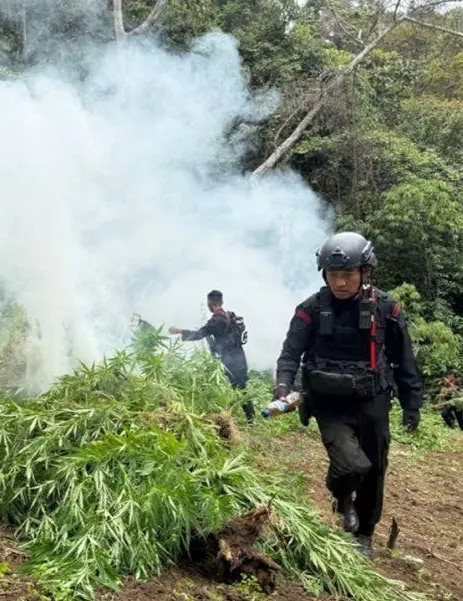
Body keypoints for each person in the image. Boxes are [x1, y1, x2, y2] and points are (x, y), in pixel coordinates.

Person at [273, 232, 423, 556]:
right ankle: (342, 497)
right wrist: (283, 389)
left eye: (347, 275)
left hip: (373, 401)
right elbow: (289, 356)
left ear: (364, 272)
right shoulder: (310, 310)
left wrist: (412, 405)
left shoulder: (386, 309)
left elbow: (404, 359)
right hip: (329, 404)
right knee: (352, 465)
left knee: (375, 468)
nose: (340, 283)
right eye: (333, 275)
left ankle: (365, 534)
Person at [169, 290, 254, 423]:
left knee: (239, 390)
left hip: (231, 361)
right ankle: (243, 419)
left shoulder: (218, 320)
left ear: (210, 303)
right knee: (240, 389)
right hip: (238, 358)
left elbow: (200, 333)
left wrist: (179, 331)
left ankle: (248, 421)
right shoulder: (228, 315)